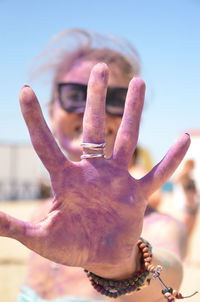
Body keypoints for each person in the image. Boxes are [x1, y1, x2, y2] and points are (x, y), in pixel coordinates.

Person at [0, 29, 196, 302]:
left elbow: (170, 272)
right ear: (51, 108)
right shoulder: (39, 215)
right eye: (73, 95)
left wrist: (124, 268)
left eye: (115, 99)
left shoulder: (158, 226)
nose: (95, 111)